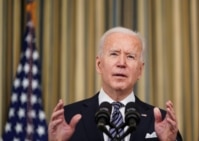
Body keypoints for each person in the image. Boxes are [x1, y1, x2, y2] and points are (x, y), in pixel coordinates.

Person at [48, 27, 183, 141]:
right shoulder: (68, 117)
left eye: (130, 56)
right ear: (99, 65)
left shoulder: (162, 122)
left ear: (140, 70)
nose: (121, 63)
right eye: (114, 54)